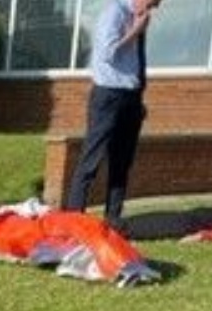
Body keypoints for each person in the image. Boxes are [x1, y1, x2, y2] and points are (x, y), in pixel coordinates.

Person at [64, 0, 163, 230]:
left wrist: (138, 97)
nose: (151, 11)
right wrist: (135, 31)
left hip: (131, 97)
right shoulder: (114, 13)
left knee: (122, 162)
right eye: (151, 4)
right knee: (92, 158)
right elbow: (108, 52)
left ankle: (113, 219)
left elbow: (134, 64)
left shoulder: (138, 17)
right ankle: (72, 219)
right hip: (108, 96)